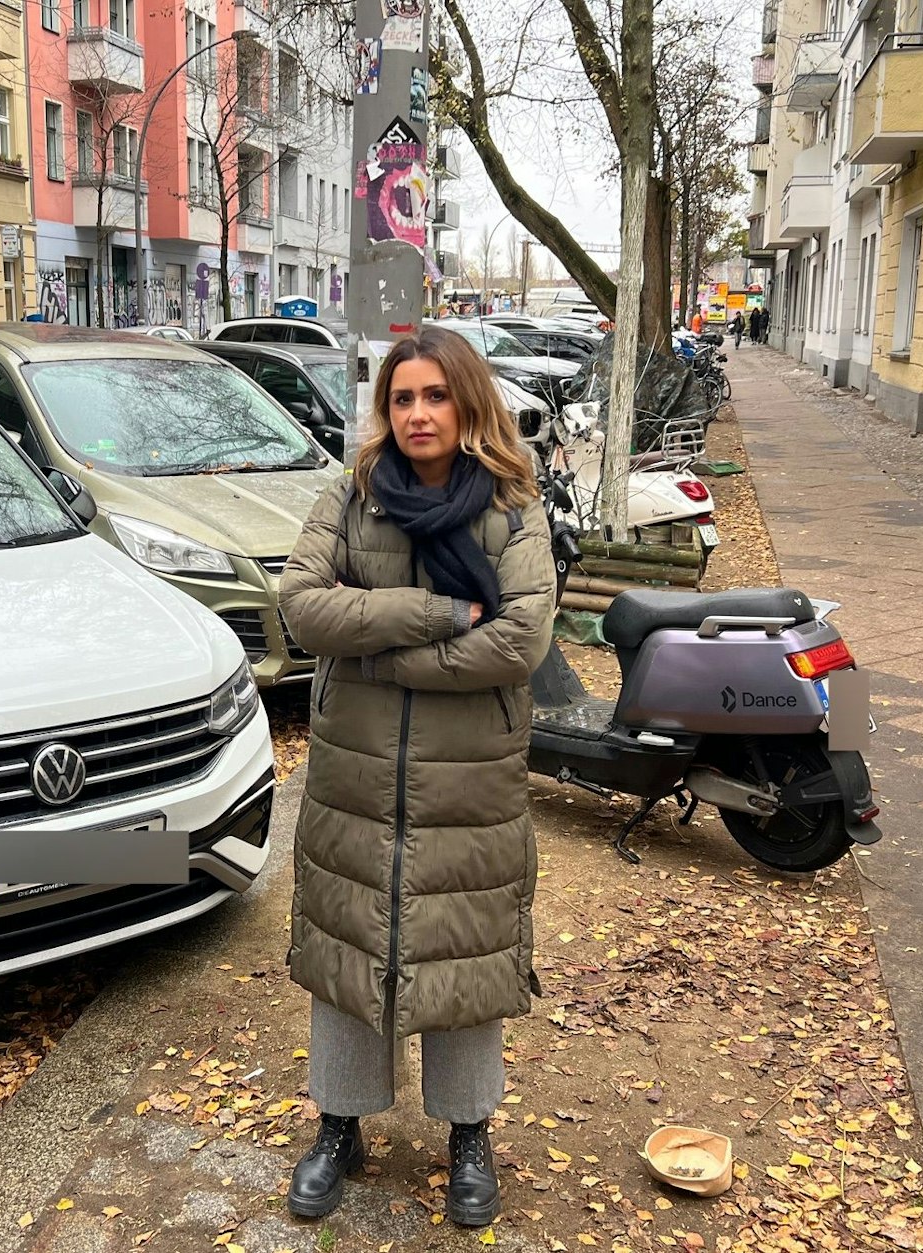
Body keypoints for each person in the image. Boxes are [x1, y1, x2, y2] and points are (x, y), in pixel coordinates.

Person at [278, 326, 556, 1228]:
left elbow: (518, 640)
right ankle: (340, 1125)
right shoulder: (351, 496)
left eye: (436, 395)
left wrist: (386, 659)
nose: (418, 413)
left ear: (468, 402)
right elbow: (303, 607)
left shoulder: (512, 506)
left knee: (465, 943)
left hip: (472, 777)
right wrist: (436, 613)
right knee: (350, 938)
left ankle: (469, 1133)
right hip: (355, 772)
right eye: (402, 398)